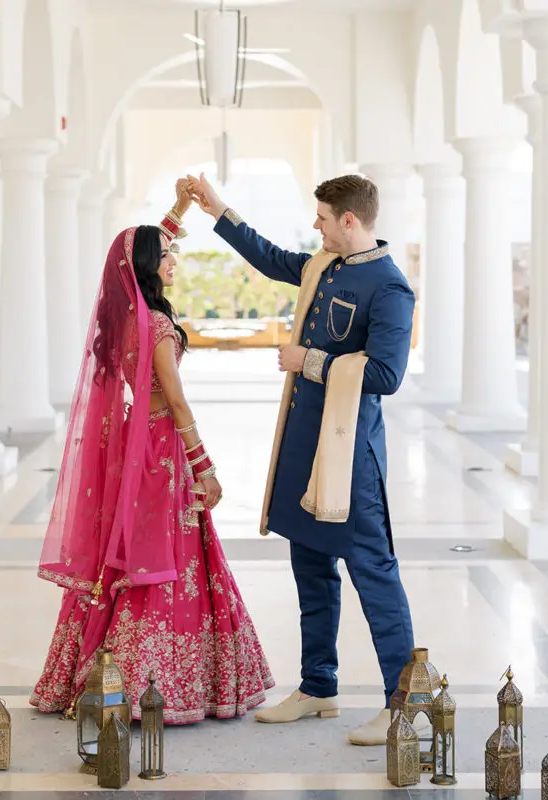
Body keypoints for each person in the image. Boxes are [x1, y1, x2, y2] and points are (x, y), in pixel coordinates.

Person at [31, 180, 275, 724]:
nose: (174, 260)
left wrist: (180, 208)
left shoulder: (122, 319)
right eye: (167, 256)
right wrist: (205, 469)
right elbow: (177, 401)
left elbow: (137, 249)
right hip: (162, 451)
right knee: (167, 557)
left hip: (132, 448)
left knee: (126, 555)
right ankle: (155, 679)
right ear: (147, 266)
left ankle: (99, 674)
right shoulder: (158, 324)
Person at [185, 172, 416, 746]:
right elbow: (271, 259)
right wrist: (218, 209)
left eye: (322, 217)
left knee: (374, 574)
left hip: (349, 458)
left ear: (348, 219)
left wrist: (307, 359)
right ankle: (318, 687)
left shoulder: (390, 287)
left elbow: (386, 374)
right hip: (303, 447)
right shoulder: (324, 266)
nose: (316, 226)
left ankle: (405, 706)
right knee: (310, 569)